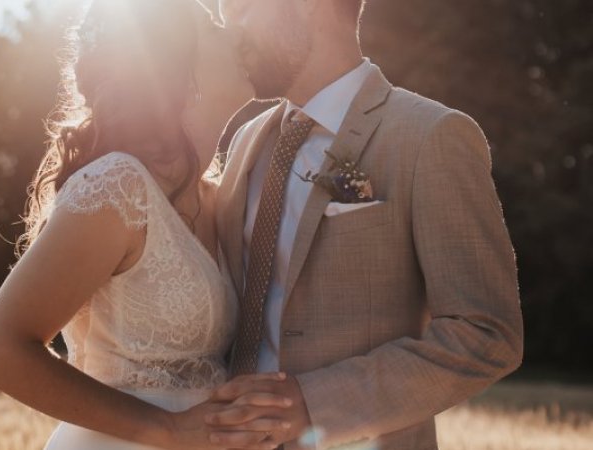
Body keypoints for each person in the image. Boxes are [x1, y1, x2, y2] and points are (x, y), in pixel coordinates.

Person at [206, 0, 525, 449]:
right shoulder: (244, 142)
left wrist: (315, 404)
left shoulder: (431, 136)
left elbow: (487, 333)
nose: (229, 31)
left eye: (240, 10)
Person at [0, 1, 289, 449]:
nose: (234, 31)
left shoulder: (217, 197)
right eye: (211, 26)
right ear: (174, 68)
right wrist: (169, 429)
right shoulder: (118, 186)